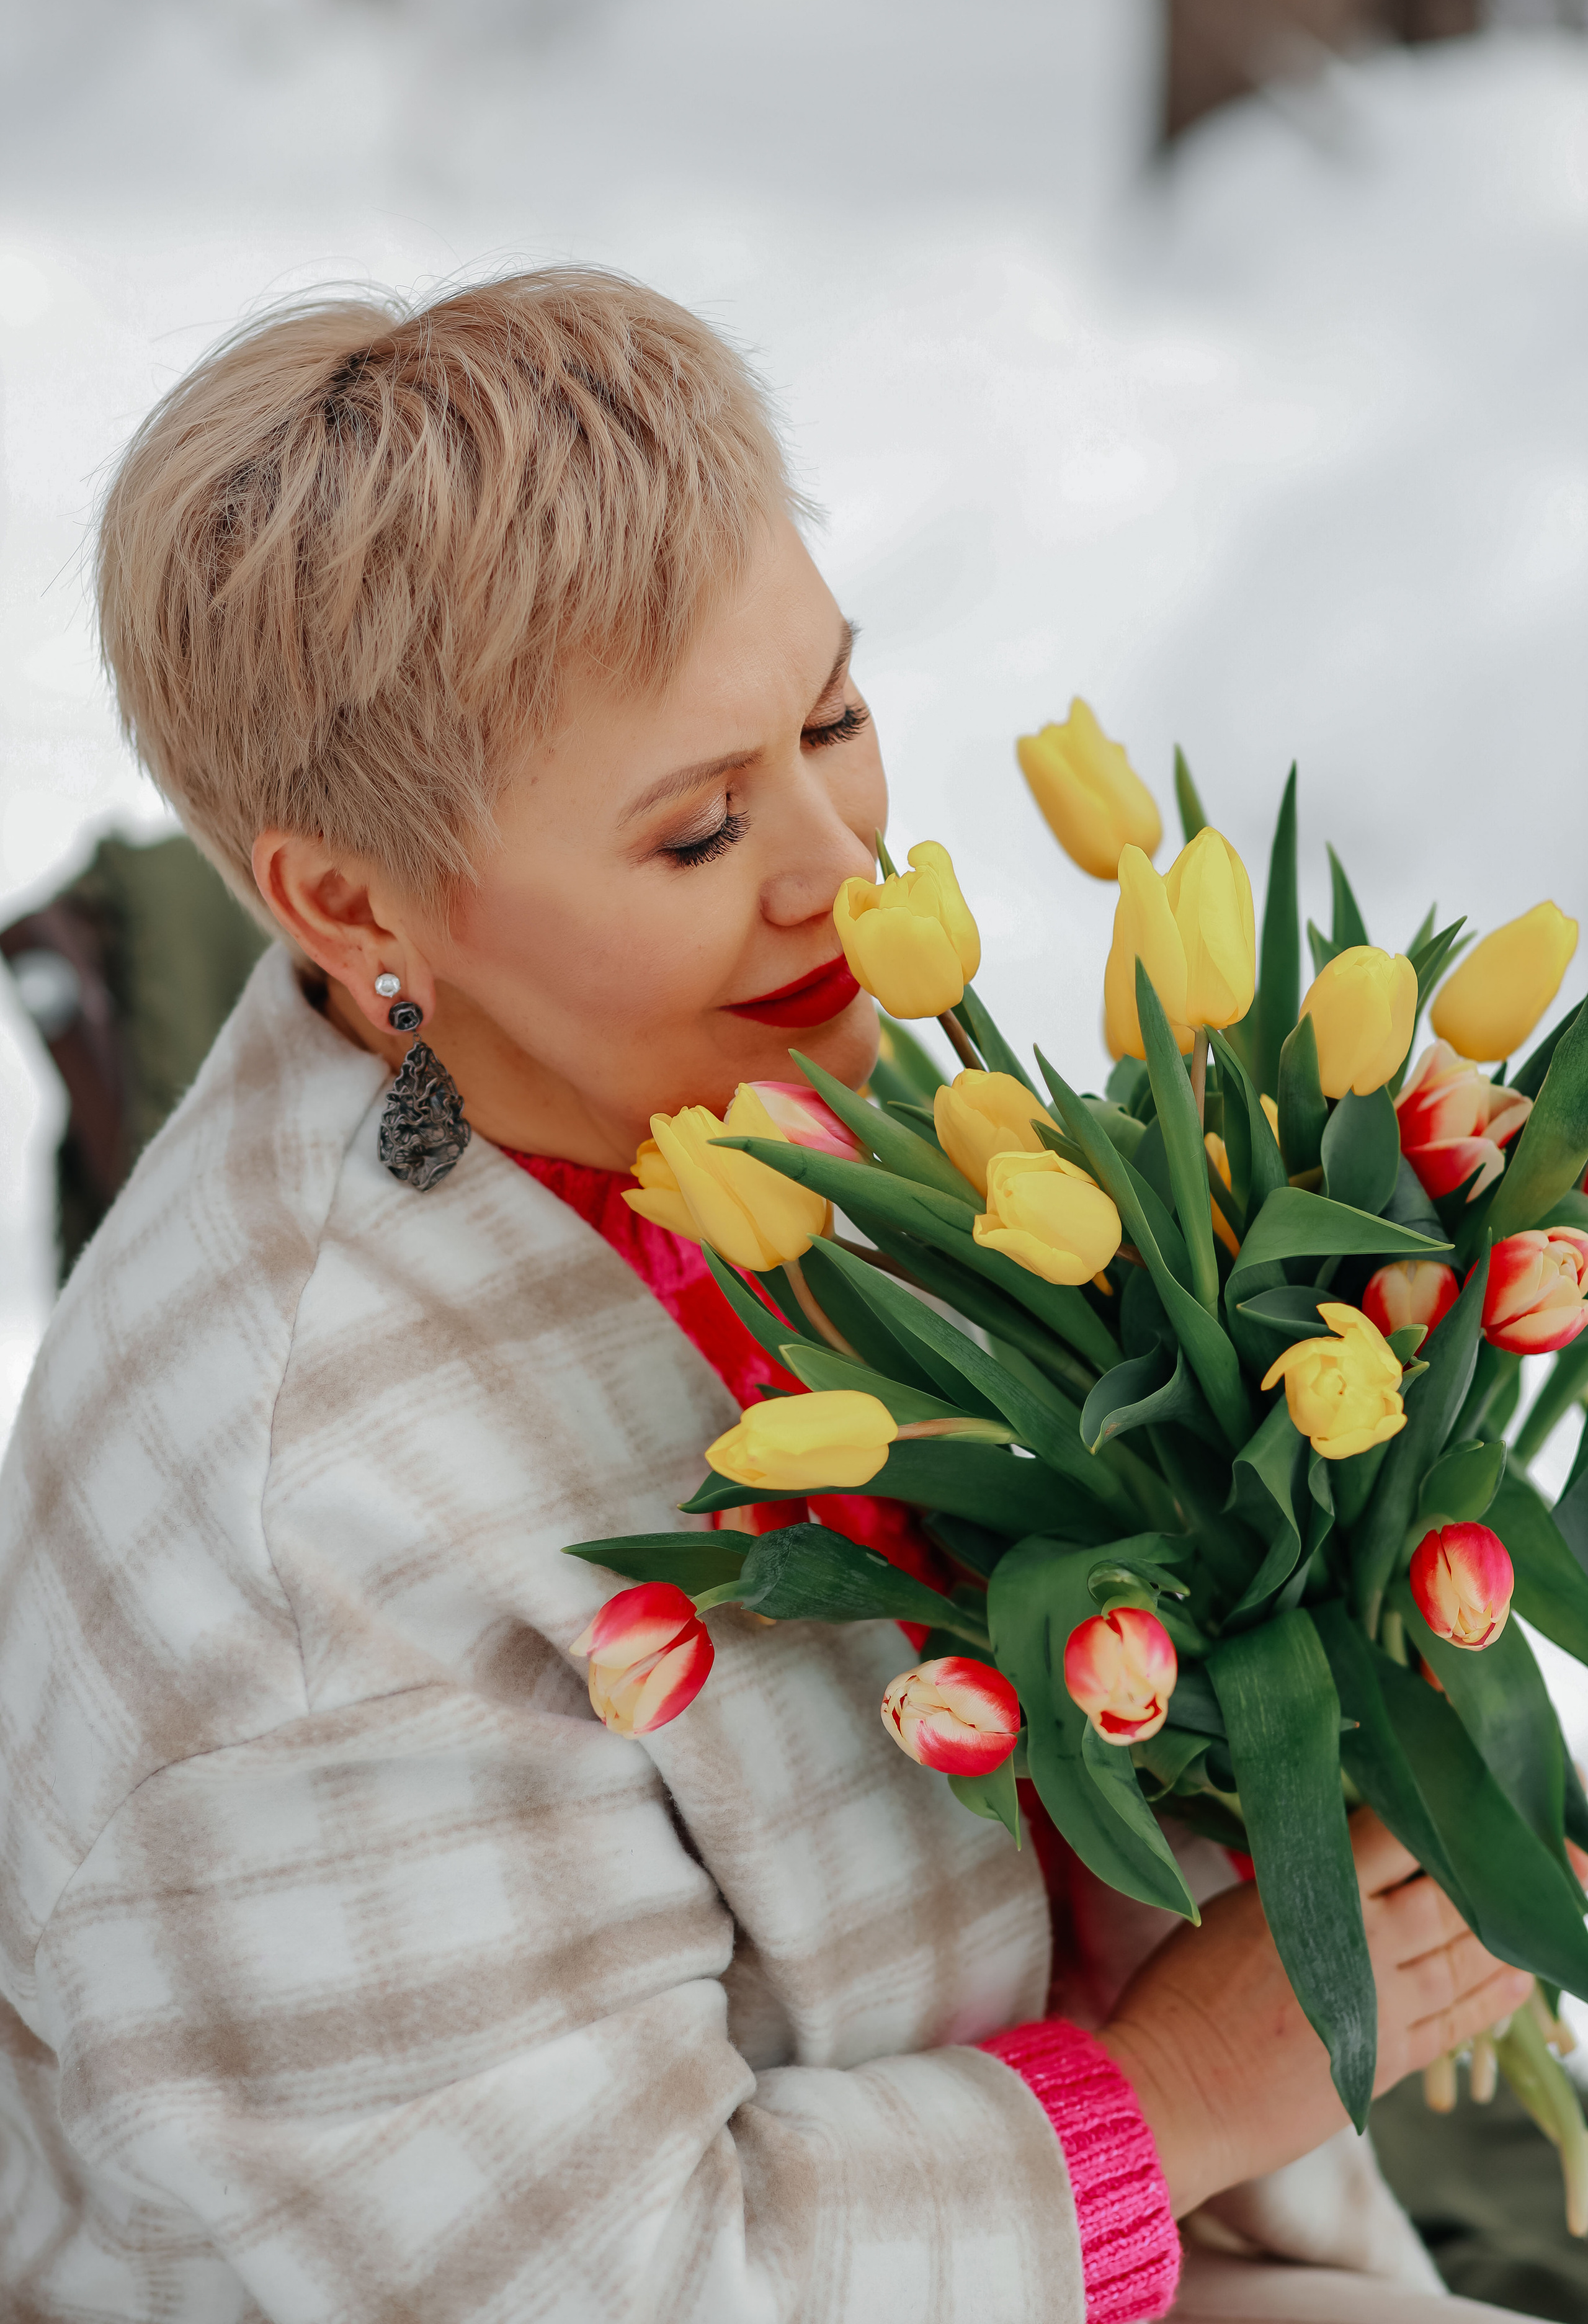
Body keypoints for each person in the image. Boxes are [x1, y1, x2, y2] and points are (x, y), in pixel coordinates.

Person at [0, 271, 1537, 2324]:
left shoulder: (691, 1083)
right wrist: (1172, 2095)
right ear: (352, 902)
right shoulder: (314, 1550)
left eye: (831, 717)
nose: (840, 863)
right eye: (702, 824)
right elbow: (571, 2281)